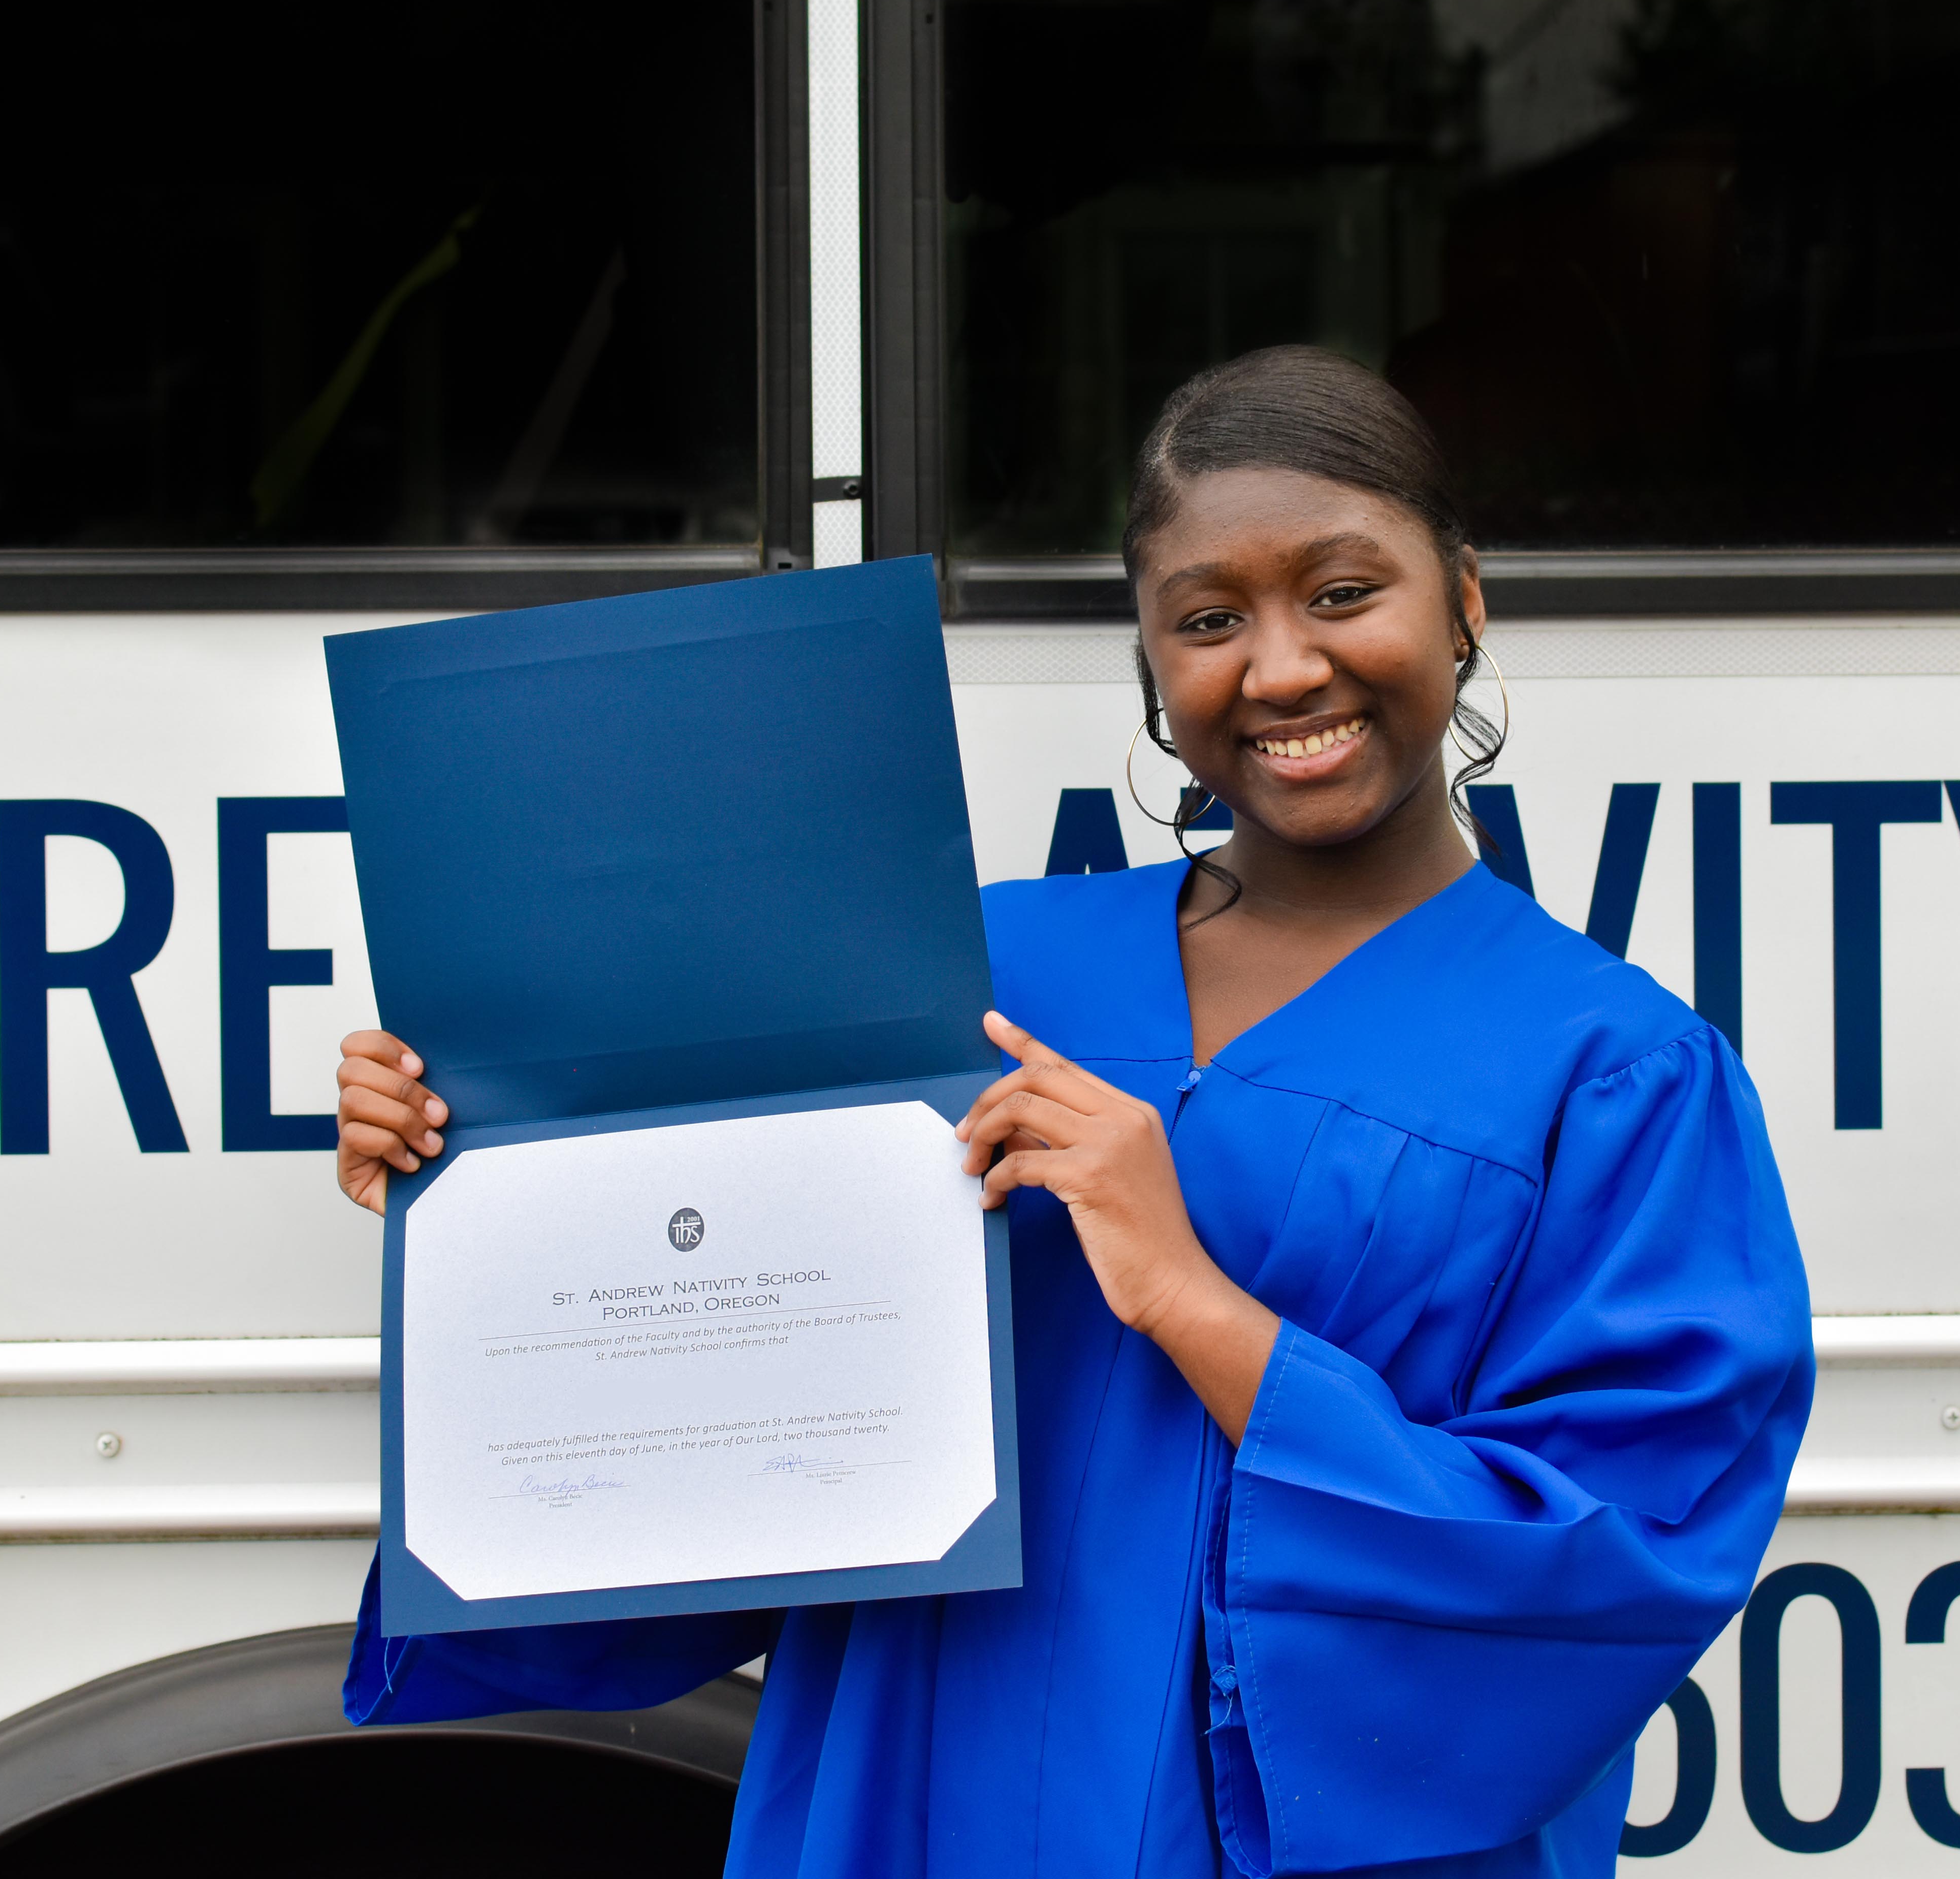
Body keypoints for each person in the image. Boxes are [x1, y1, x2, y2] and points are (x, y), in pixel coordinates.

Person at [329, 344, 1813, 1877]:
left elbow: (1617, 1559)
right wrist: (473, 1161)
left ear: (1466, 600)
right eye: (1210, 620)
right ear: (1158, 672)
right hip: (918, 1798)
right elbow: (697, 1344)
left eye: (1344, 591)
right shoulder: (975, 974)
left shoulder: (1614, 1073)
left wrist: (1189, 1297)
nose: (1284, 667)